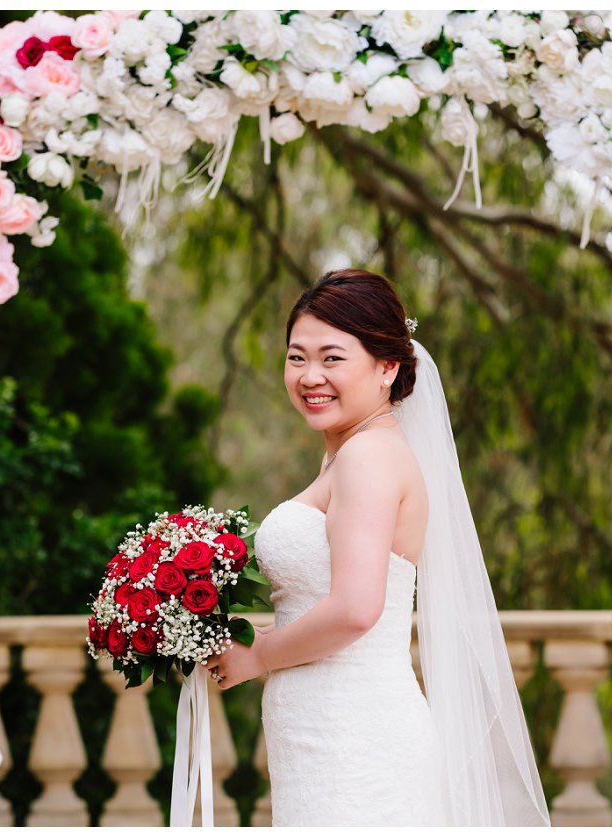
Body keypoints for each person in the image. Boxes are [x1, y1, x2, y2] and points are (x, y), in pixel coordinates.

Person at [204, 269, 548, 826]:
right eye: (297, 357)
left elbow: (357, 609)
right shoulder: (354, 451)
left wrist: (259, 655)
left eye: (332, 358)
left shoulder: (368, 457)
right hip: (326, 732)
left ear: (388, 367)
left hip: (355, 738)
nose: (310, 376)